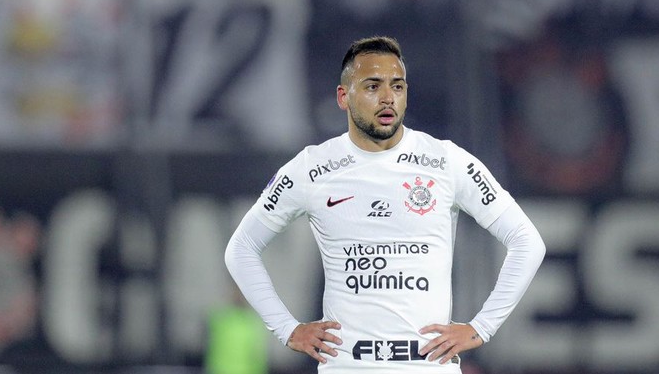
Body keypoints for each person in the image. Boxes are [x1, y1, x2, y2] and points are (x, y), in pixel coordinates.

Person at [224, 35, 546, 369]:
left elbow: (527, 241)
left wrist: (482, 327)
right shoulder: (312, 167)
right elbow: (241, 248)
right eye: (372, 86)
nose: (388, 98)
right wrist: (287, 329)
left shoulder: (446, 161)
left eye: (397, 86)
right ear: (343, 97)